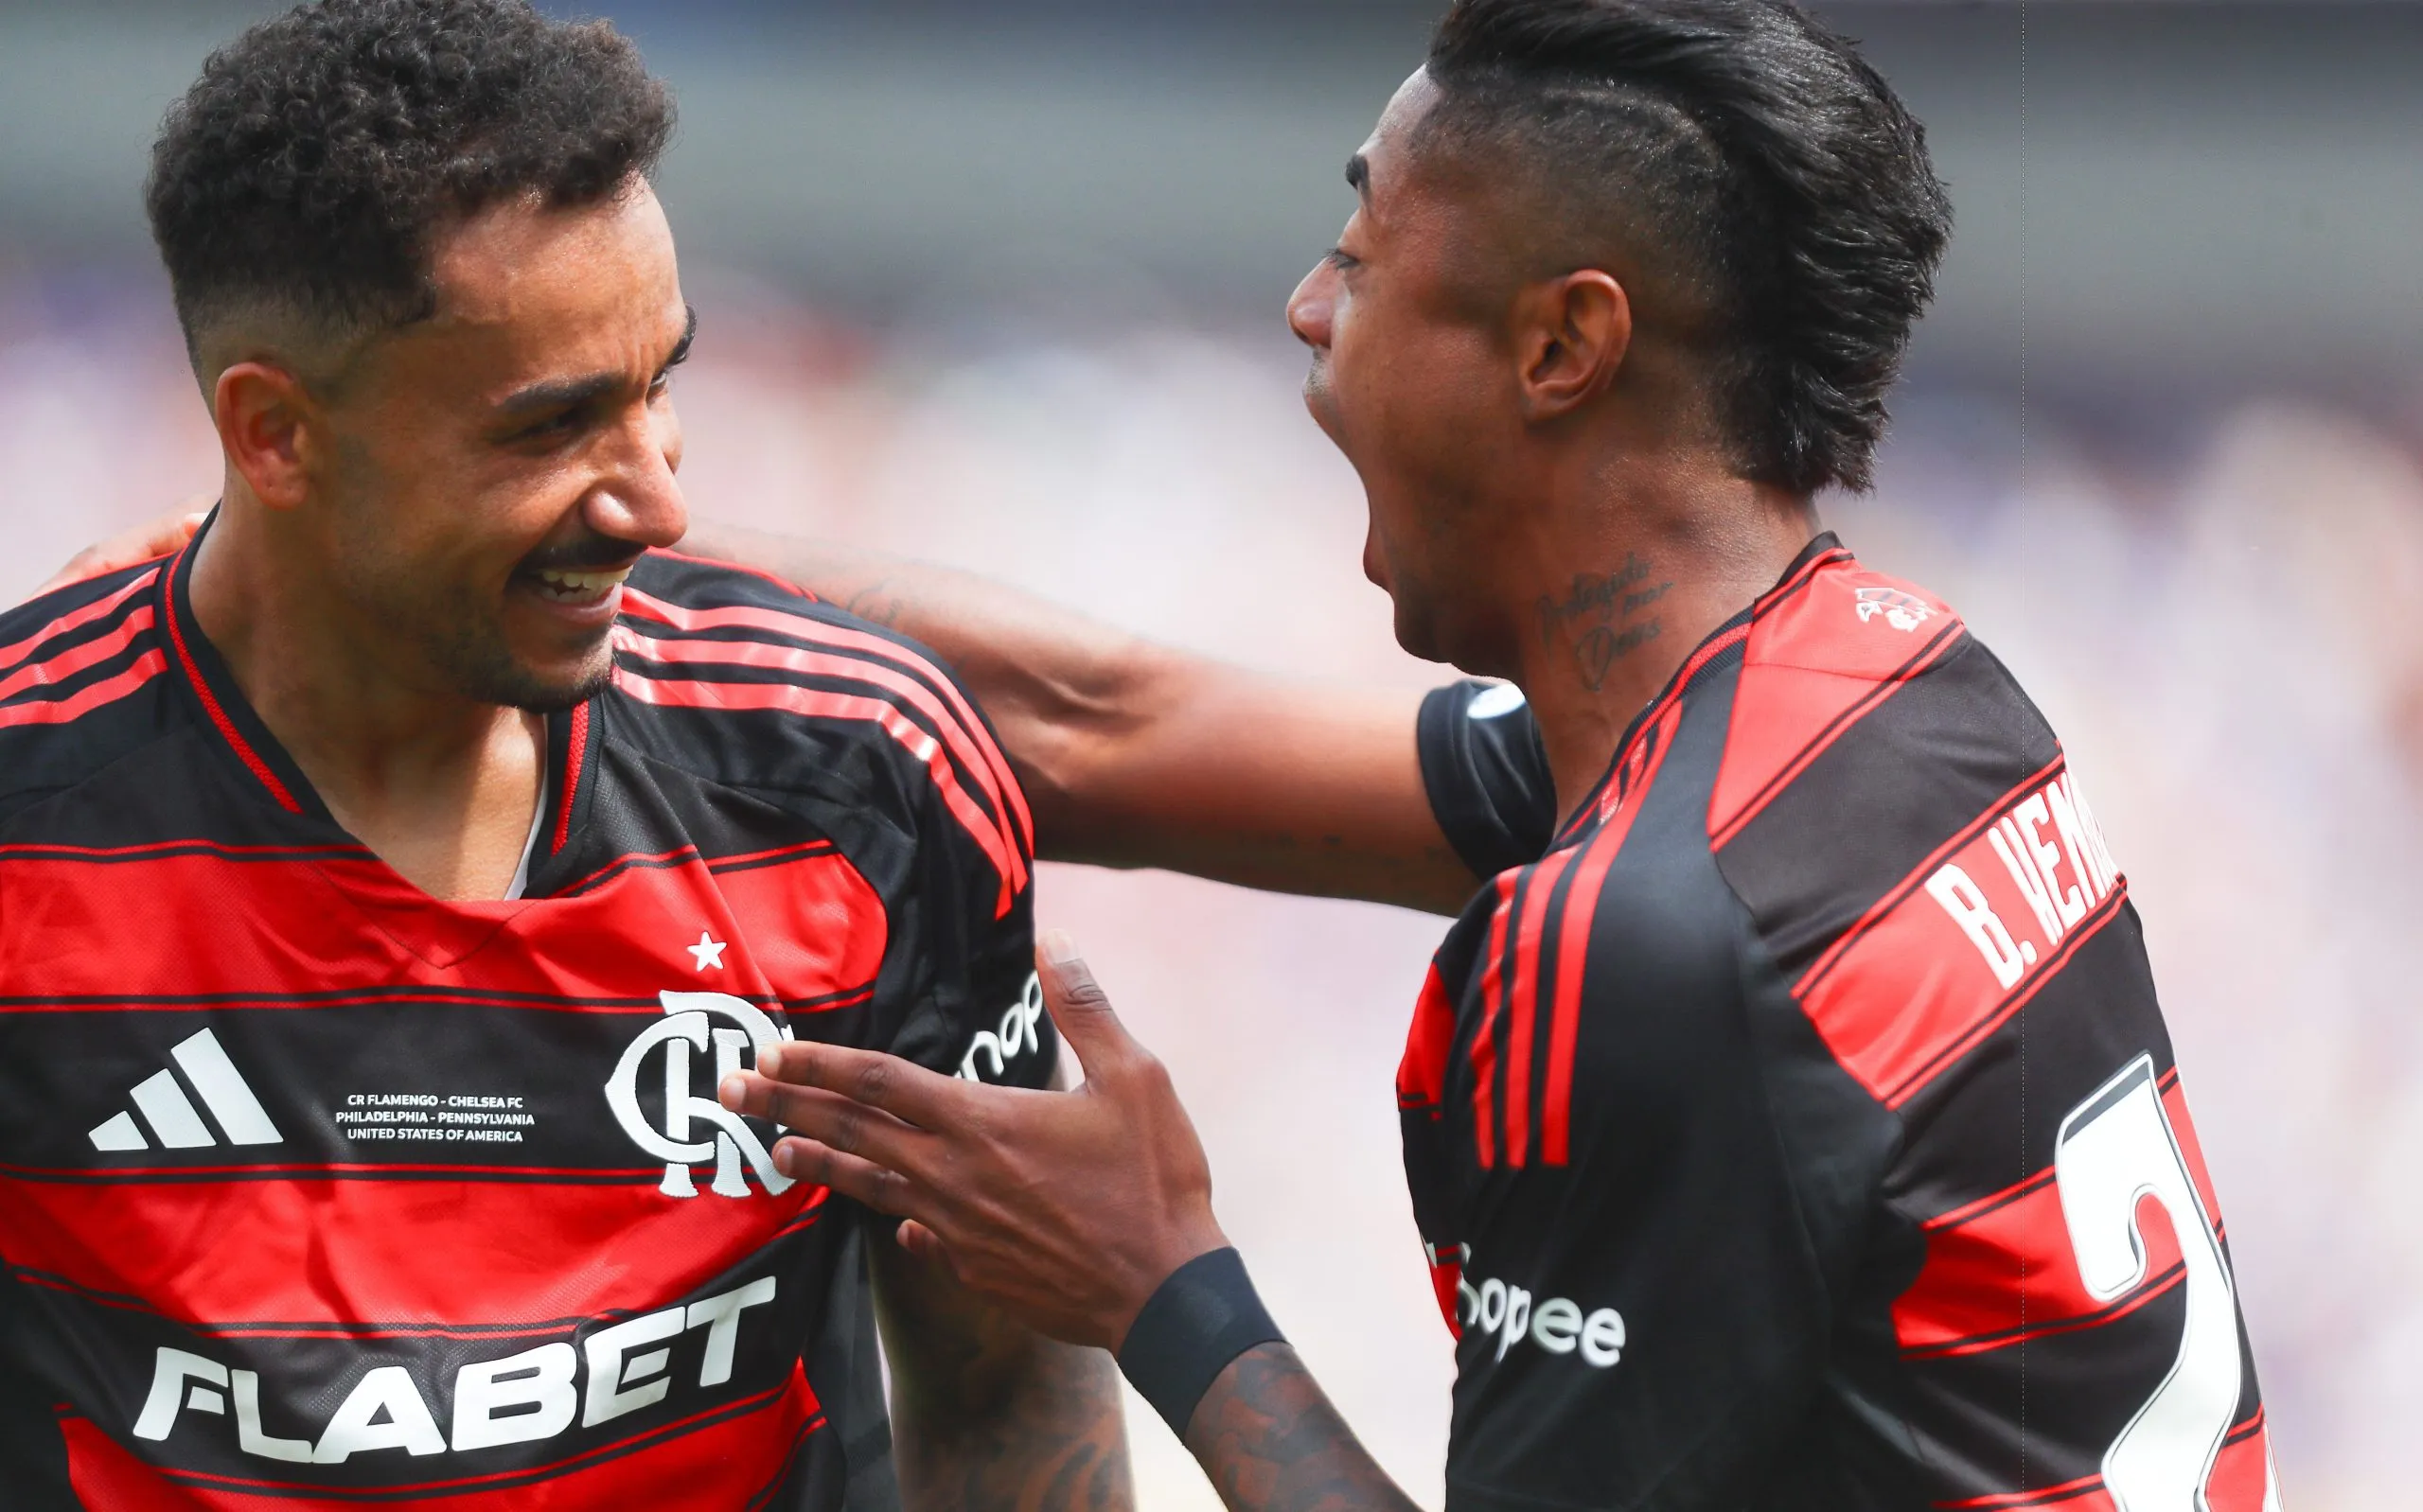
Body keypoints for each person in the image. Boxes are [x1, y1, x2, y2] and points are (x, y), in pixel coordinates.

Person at [694, 3, 2283, 1510]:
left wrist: (1163, 1283)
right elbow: (1096, 724)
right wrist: (606, 548)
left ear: (1562, 346)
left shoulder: (1659, 944)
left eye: (1362, 253)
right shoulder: (1902, 693)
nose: (1309, 311)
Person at [0, 3, 1124, 1509]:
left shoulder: (862, 779)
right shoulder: (31, 819)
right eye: (554, 427)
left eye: (660, 382)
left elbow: (1003, 1386)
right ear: (273, 434)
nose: (660, 503)